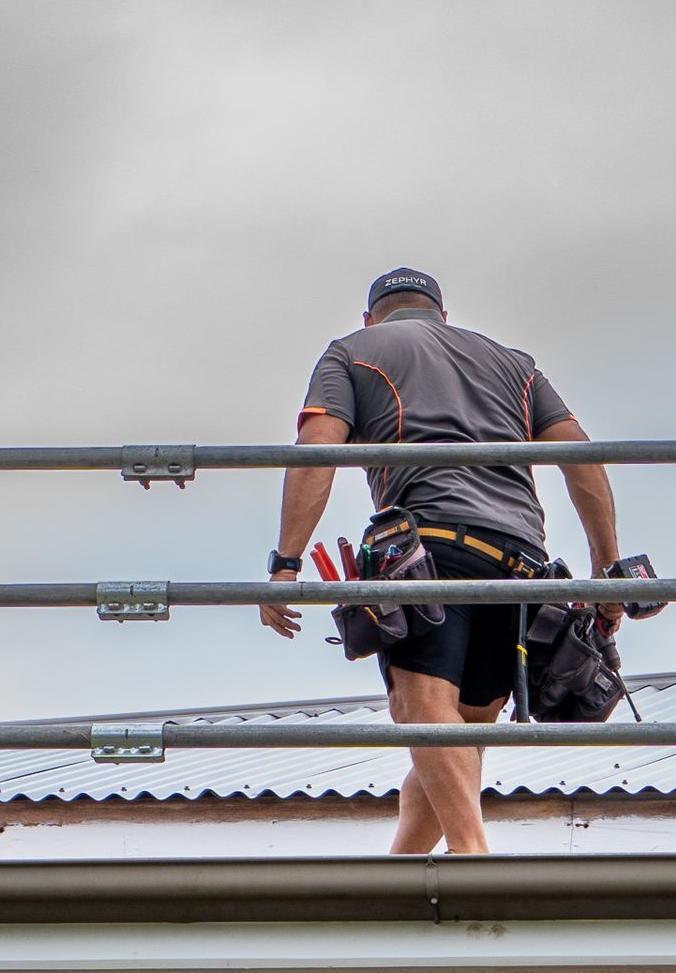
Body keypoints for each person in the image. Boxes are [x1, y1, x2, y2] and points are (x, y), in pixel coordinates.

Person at [259, 267, 623, 855]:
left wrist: (285, 565)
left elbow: (317, 450)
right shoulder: (514, 362)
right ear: (443, 315)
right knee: (462, 732)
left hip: (430, 545)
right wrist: (607, 574)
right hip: (520, 562)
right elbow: (582, 458)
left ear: (371, 316)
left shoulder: (353, 350)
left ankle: (473, 858)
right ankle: (403, 874)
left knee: (422, 708)